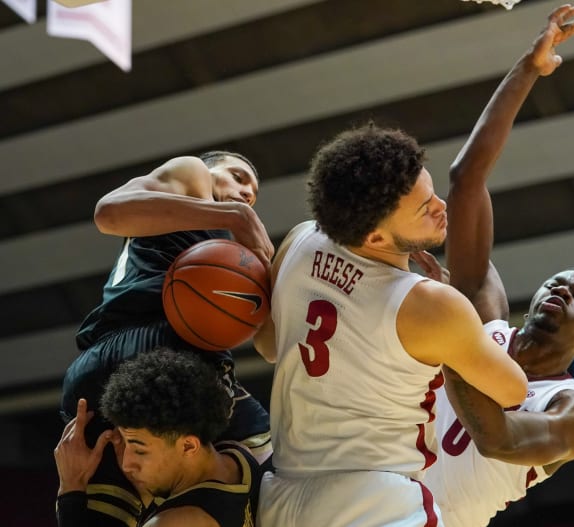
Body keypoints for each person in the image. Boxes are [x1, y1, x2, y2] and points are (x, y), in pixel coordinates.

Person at [252, 121, 528, 526]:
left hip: (283, 498)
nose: (441, 207)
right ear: (376, 238)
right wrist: (453, 325)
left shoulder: (299, 241)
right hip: (373, 501)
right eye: (424, 208)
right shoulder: (428, 303)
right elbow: (512, 389)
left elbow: (269, 346)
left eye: (432, 192)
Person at [421, 6, 574, 527]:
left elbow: (498, 438)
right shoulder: (483, 318)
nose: (560, 290)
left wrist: (442, 335)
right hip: (368, 491)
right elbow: (465, 181)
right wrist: (529, 69)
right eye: (557, 283)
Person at [60, 152, 274, 526]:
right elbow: (107, 213)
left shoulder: (224, 244)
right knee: (273, 458)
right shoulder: (193, 176)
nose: (246, 194)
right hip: (165, 349)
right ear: (210, 170)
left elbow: (269, 348)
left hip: (93, 371)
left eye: (252, 195)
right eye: (237, 177)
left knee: (101, 512)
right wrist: (232, 216)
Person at [54, 347, 262, 527]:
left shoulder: (172, 523)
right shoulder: (240, 457)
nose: (126, 463)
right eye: (126, 443)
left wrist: (72, 487)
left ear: (189, 445)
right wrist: (146, 496)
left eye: (139, 449)